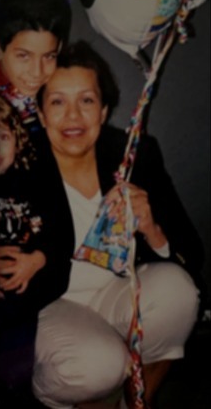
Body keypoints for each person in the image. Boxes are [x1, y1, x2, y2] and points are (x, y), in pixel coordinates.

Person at [29, 41, 203, 408]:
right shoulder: (20, 163)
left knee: (180, 291)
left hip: (117, 291)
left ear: (104, 109)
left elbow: (191, 252)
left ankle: (136, 402)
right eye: (58, 101)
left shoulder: (134, 154)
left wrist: (151, 228)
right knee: (98, 365)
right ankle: (55, 393)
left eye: (87, 101)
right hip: (53, 302)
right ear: (42, 114)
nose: (73, 115)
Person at [0, 95, 68, 407]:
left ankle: (19, 384)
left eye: (4, 137)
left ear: (17, 139)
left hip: (36, 280)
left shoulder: (33, 179)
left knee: (21, 361)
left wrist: (36, 260)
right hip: (1, 291)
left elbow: (60, 231)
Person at [0, 0, 71, 135]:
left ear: (60, 47)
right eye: (23, 56)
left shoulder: (65, 86)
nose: (37, 72)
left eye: (49, 56)